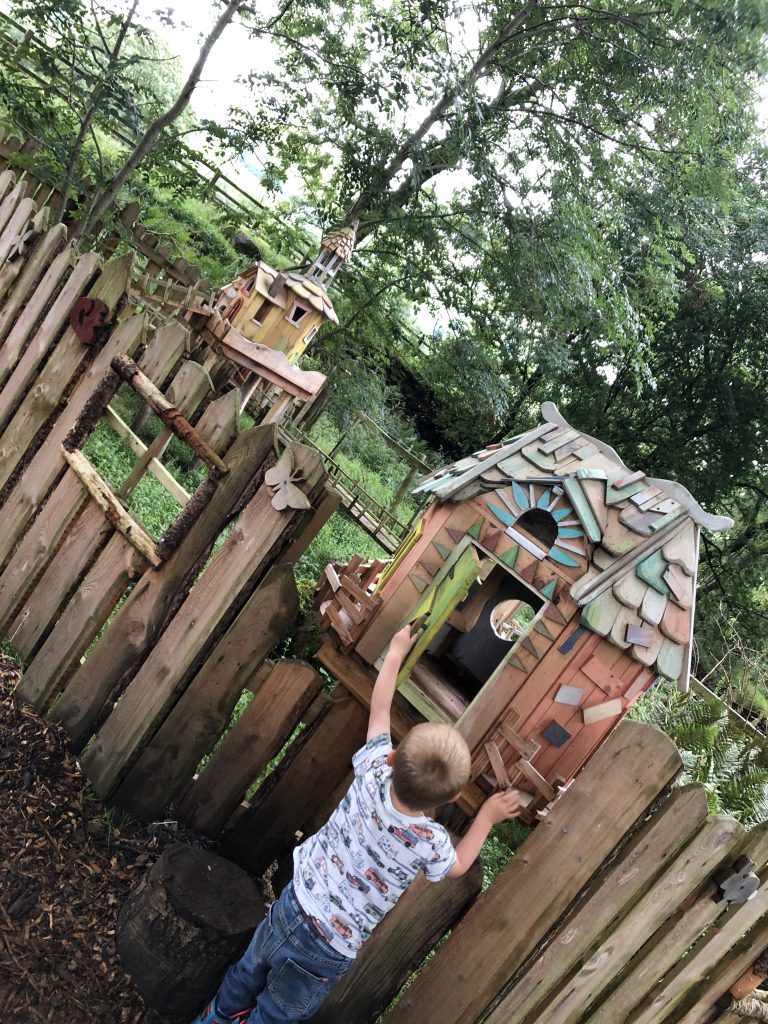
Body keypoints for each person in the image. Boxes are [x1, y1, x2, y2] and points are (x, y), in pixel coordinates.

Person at [192, 625, 523, 1024]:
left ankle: (215, 1018)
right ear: (452, 798)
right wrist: (486, 817)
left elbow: (380, 709)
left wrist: (397, 651)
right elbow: (457, 866)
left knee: (245, 975)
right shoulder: (429, 841)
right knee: (275, 1014)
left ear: (393, 756)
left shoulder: (372, 773)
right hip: (329, 948)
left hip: (294, 903)